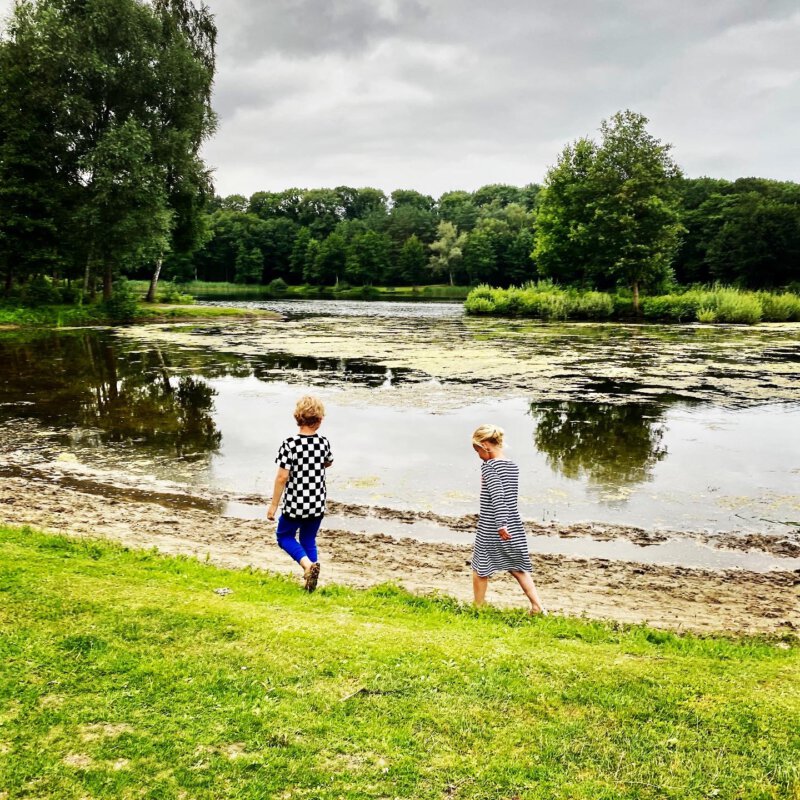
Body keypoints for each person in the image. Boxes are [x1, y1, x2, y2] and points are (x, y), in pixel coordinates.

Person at [471, 424, 547, 615]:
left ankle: (478, 608)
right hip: (514, 523)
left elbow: (498, 497)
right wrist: (506, 522)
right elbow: (508, 497)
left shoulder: (489, 467)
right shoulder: (512, 466)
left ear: (485, 445)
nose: (478, 455)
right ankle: (537, 606)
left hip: (492, 526)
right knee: (518, 567)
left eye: (478, 450)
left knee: (480, 569)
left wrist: (500, 524)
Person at [267, 396, 334, 592]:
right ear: (320, 420)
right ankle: (311, 577)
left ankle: (307, 566)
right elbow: (328, 462)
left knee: (284, 536)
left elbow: (282, 477)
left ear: (297, 417)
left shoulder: (290, 444)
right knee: (308, 539)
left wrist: (273, 505)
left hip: (296, 504)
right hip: (317, 503)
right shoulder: (323, 442)